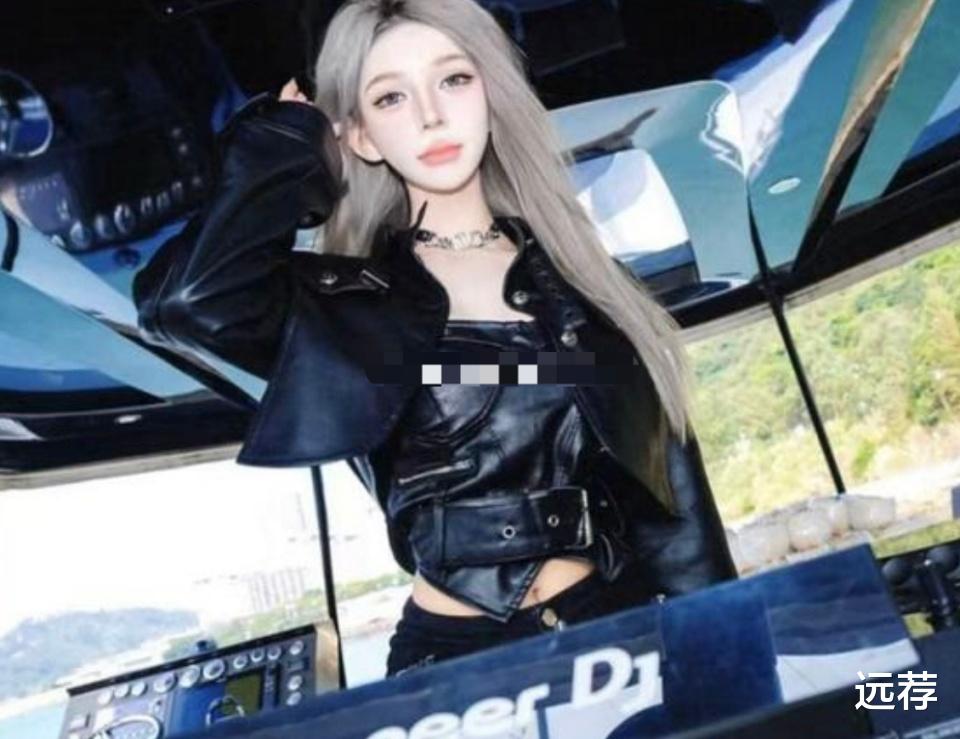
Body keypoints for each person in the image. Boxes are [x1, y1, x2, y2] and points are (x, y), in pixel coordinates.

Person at [133, 0, 736, 679]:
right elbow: (187, 303)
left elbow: (674, 510)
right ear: (361, 136)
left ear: (489, 95)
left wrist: (731, 661)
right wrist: (279, 145)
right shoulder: (346, 310)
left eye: (453, 79)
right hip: (454, 658)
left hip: (616, 619)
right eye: (390, 97)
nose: (430, 115)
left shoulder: (589, 285)